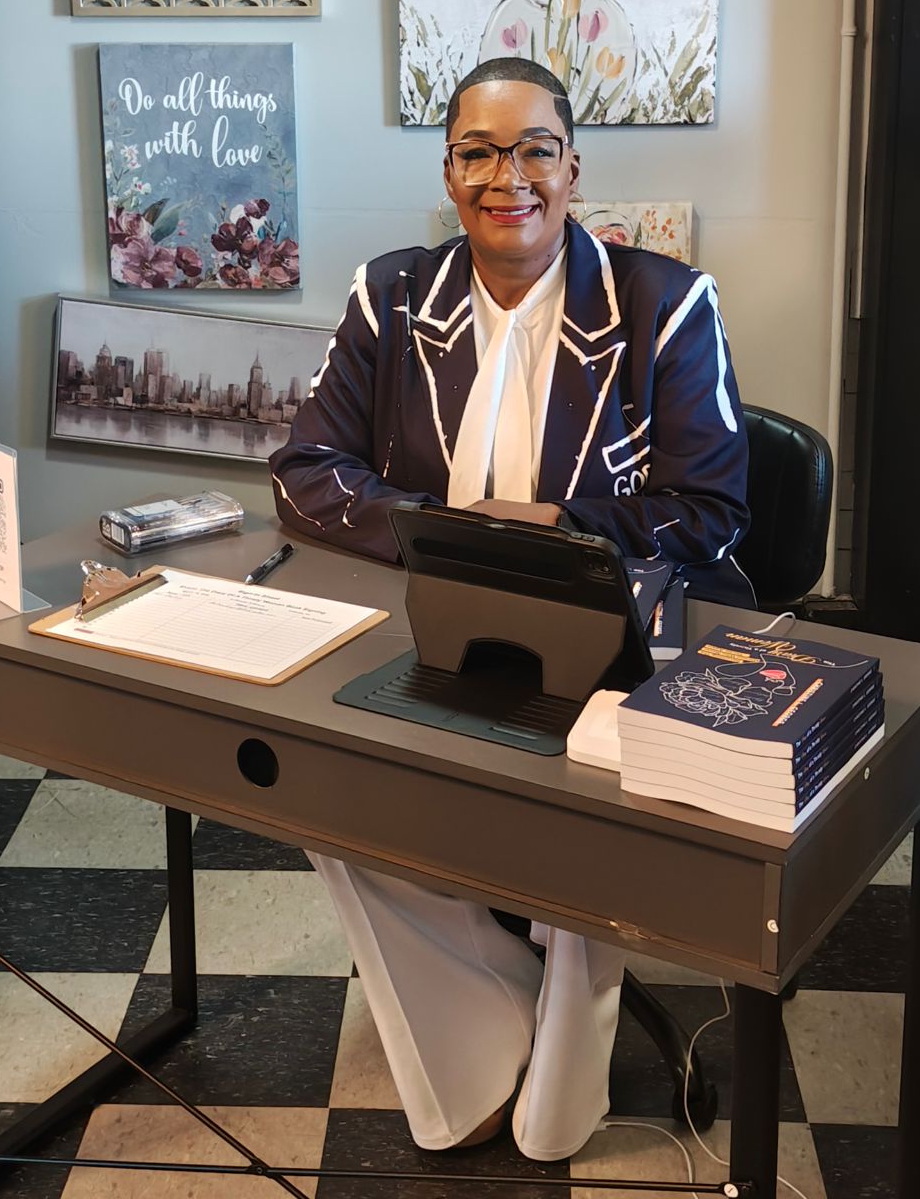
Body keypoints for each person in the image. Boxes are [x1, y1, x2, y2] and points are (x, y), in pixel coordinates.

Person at [269, 57, 753, 1163]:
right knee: (329, 786)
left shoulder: (664, 304)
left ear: (573, 168)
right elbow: (305, 470)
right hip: (441, 620)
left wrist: (559, 526)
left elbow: (712, 510)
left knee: (581, 799)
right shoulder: (393, 296)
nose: (509, 176)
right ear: (449, 174)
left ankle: (568, 1040)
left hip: (612, 632)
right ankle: (487, 1025)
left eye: (536, 148)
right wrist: (445, 532)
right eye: (479, 152)